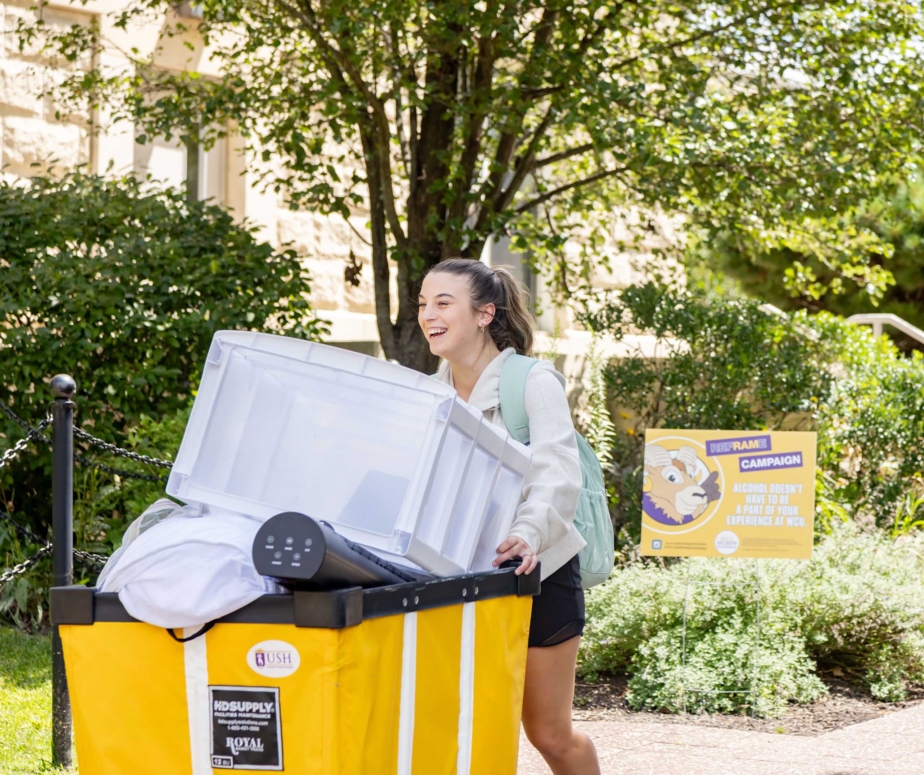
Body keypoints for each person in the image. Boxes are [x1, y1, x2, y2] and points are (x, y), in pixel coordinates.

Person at [418, 258, 601, 775]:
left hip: (535, 569)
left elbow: (558, 473)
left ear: (484, 314)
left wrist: (526, 534)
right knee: (464, 722)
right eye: (423, 304)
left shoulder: (532, 381)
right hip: (460, 575)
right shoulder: (430, 393)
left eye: (443, 303)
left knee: (549, 733)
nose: (428, 314)